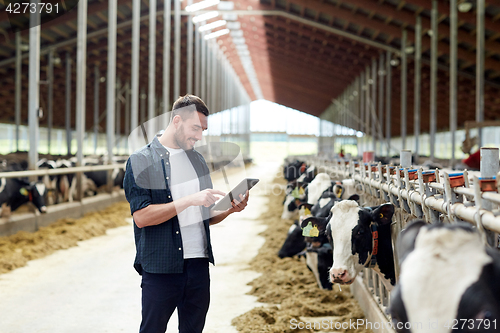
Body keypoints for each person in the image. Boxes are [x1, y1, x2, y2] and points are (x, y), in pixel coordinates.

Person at [123, 95, 249, 333]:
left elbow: (206, 215)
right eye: (195, 128)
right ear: (177, 120)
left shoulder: (198, 160)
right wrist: (189, 199)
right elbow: (142, 217)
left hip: (198, 266)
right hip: (161, 268)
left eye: (203, 129)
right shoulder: (141, 160)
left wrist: (230, 207)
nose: (199, 136)